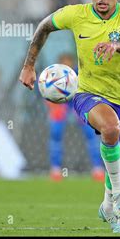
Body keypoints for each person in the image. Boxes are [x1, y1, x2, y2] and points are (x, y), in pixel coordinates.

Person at [19, 0, 120, 233]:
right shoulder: (76, 14)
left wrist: (116, 46)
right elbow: (43, 27)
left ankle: (108, 207)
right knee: (111, 128)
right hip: (87, 92)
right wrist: (29, 65)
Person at [45, 53, 105, 182]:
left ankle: (97, 168)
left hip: (77, 103)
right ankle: (55, 169)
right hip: (60, 104)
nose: (67, 65)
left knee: (91, 133)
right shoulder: (52, 75)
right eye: (64, 63)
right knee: (56, 133)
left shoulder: (79, 74)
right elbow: (45, 90)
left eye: (69, 63)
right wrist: (52, 105)